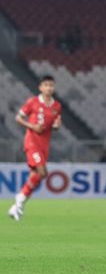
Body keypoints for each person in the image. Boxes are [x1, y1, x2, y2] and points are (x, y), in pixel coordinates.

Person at [8, 75, 62, 221]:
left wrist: (57, 126)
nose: (49, 88)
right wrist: (32, 126)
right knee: (41, 171)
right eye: (46, 85)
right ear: (40, 87)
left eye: (51, 85)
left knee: (39, 175)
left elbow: (57, 122)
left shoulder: (57, 106)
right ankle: (20, 197)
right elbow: (18, 118)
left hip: (45, 144)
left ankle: (17, 206)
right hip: (32, 142)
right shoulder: (32, 102)